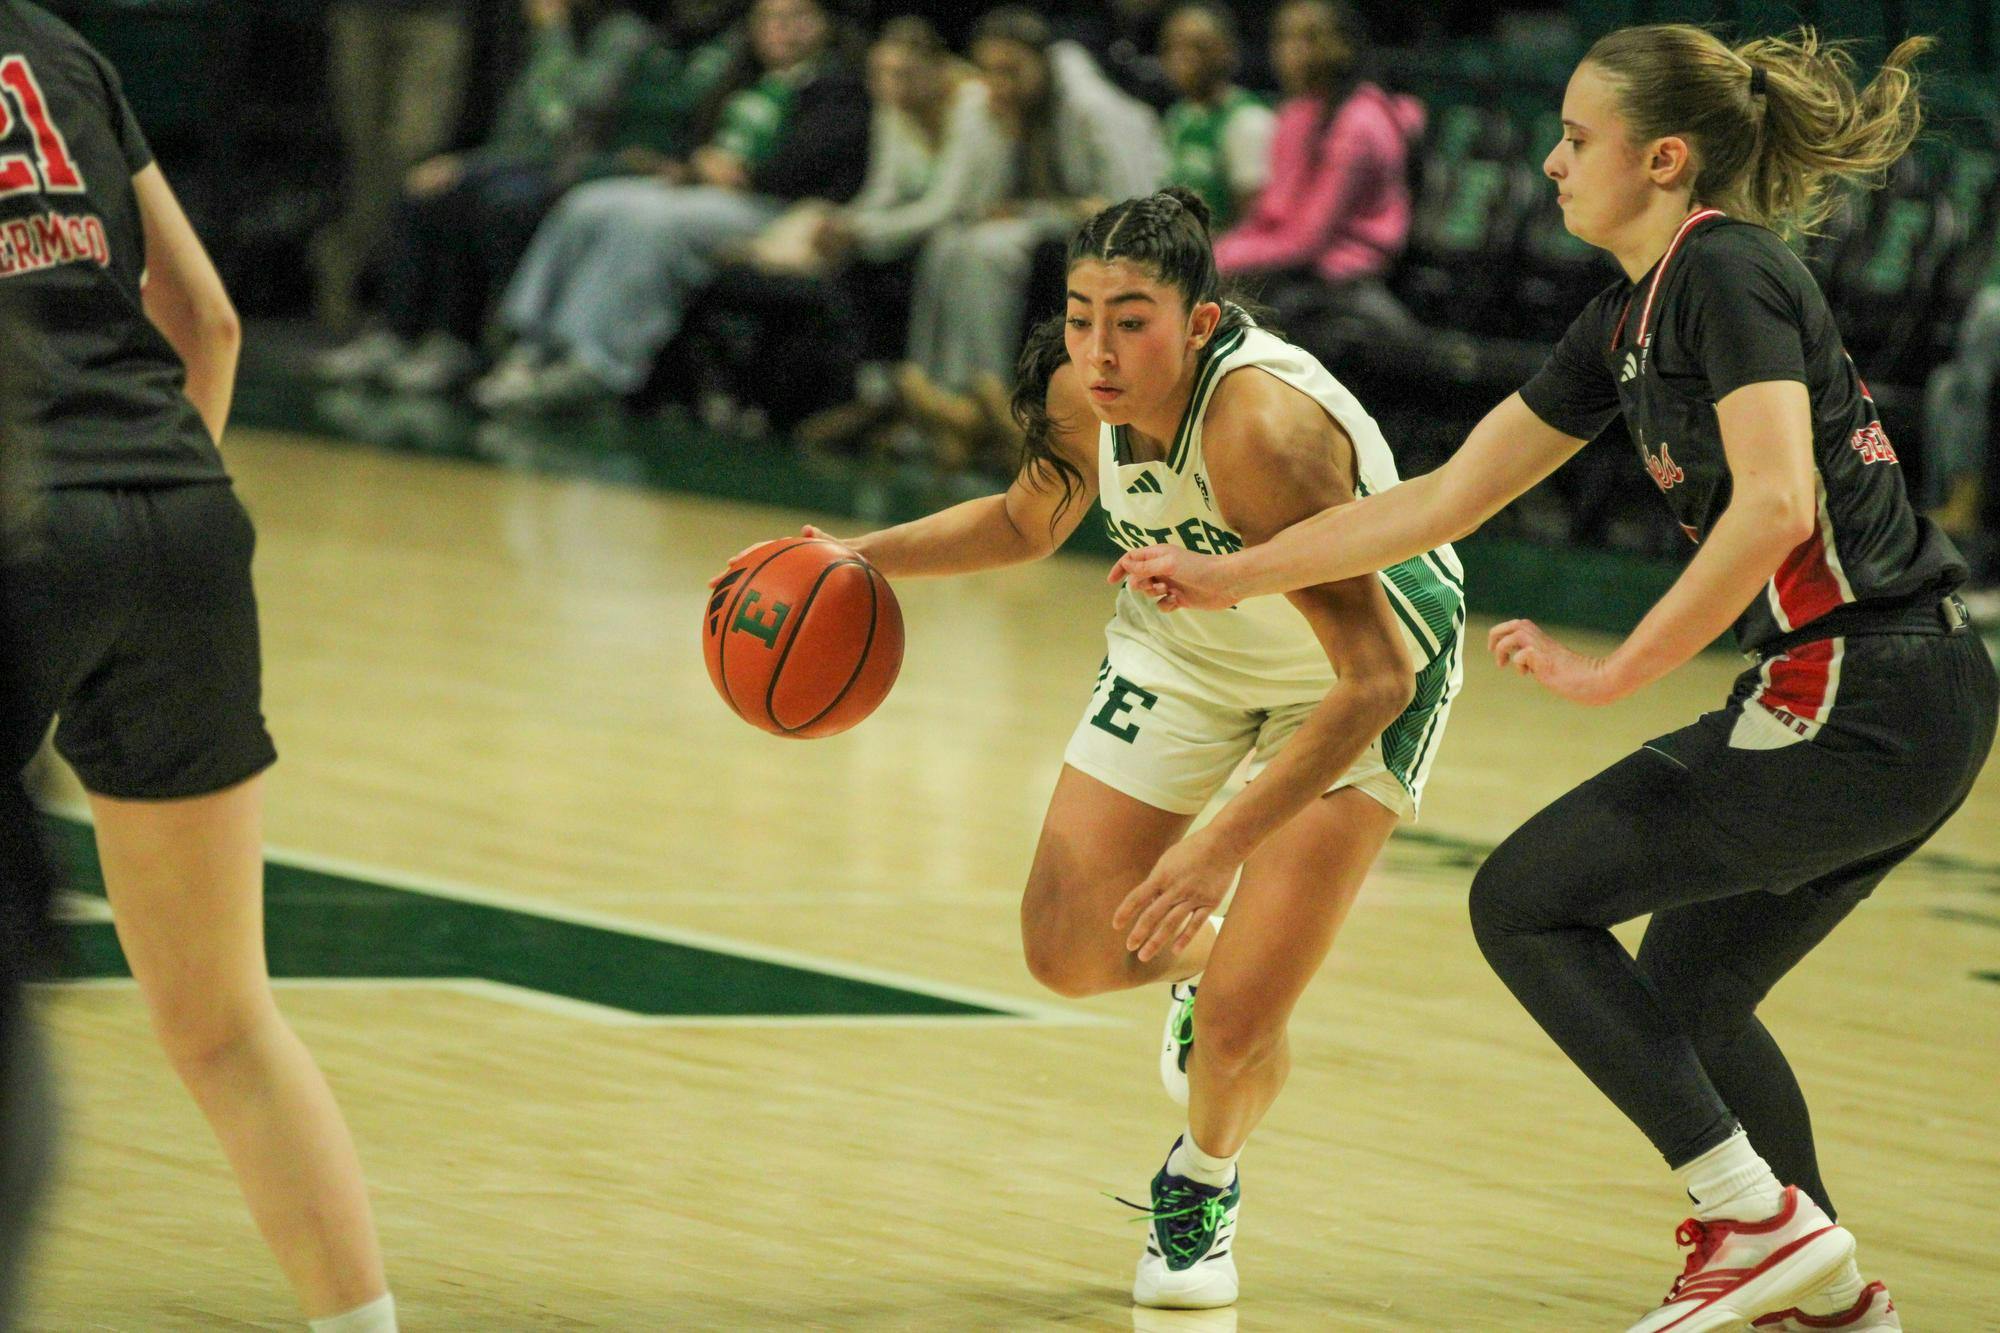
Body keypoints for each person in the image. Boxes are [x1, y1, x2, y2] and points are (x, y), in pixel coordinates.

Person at [1112, 25, 1996, 1333]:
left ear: (1664, 157)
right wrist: (1233, 576)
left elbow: (1776, 504)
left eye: (1578, 139)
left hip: (1860, 685)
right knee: (1690, 996)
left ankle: (1751, 1224)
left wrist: (1617, 670)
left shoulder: (1727, 271)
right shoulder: (1625, 318)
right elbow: (1448, 495)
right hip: (1898, 700)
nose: (1547, 159)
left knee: (1527, 899)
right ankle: (1822, 1304)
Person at [721, 187, 1464, 1309]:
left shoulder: (1258, 431)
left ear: (1200, 322)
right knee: (1066, 948)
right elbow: (1027, 521)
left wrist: (1221, 845)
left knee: (1236, 1029)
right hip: (1190, 649)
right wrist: (846, 561)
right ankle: (1217, 956)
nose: (1099, 349)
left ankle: (1201, 1179)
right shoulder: (1083, 394)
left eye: (1131, 318)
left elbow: (1375, 678)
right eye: (1079, 315)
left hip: (1349, 677)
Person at [0, 4, 396, 1329]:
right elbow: (207, 322)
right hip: (180, 510)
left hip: (20, 531)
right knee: (226, 1024)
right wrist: (159, 527)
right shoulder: (57, 46)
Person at [473, 0, 867, 414]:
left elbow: (814, 164)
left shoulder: (839, 89)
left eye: (800, 19)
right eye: (774, 20)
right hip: (703, 190)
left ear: (825, 26)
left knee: (652, 223)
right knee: (588, 203)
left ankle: (598, 362)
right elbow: (694, 135)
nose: (786, 31)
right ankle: (532, 342)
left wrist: (745, 174)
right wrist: (695, 164)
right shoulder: (742, 76)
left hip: (773, 208)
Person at [894, 7, 1164, 469]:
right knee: (949, 244)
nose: (1000, 83)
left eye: (1011, 70)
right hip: (1053, 222)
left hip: (1117, 234)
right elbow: (978, 200)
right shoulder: (1002, 106)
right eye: (990, 71)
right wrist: (997, 135)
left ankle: (992, 395)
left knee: (989, 251)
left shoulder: (1089, 107)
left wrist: (1035, 211)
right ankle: (943, 395)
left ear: (1042, 64)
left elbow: (1130, 204)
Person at [1209, 0, 1423, 355]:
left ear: (1343, 46)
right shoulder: (1299, 112)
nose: (1289, 52)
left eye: (1308, 38)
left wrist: (1218, 259)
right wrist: (1216, 250)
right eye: (1283, 38)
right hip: (1294, 273)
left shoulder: (1359, 120)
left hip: (1341, 286)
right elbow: (1271, 217)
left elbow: (1306, 240)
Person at [1158, 2, 1274, 233]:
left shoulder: (1248, 121)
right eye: (1172, 47)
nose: (1182, 58)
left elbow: (1254, 227)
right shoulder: (1178, 116)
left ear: (1227, 52)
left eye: (1198, 47)